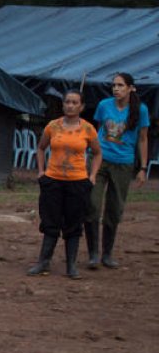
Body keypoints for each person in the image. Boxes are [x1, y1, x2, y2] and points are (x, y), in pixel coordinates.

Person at [28, 90, 101, 279]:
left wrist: (92, 176)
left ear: (82, 107)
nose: (70, 105)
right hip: (53, 181)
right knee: (50, 222)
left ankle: (71, 266)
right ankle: (43, 262)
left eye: (75, 102)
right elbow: (41, 148)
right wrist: (41, 172)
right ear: (63, 105)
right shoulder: (53, 126)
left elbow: (97, 153)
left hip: (78, 182)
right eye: (67, 102)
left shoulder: (88, 129)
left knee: (74, 223)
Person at [87, 72, 151, 269]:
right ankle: (93, 254)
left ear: (131, 88)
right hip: (100, 159)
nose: (116, 89)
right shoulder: (104, 105)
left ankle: (107, 253)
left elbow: (142, 138)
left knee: (114, 209)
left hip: (124, 163)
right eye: (114, 85)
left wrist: (142, 167)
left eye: (121, 85)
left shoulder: (140, 110)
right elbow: (97, 131)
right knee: (92, 205)